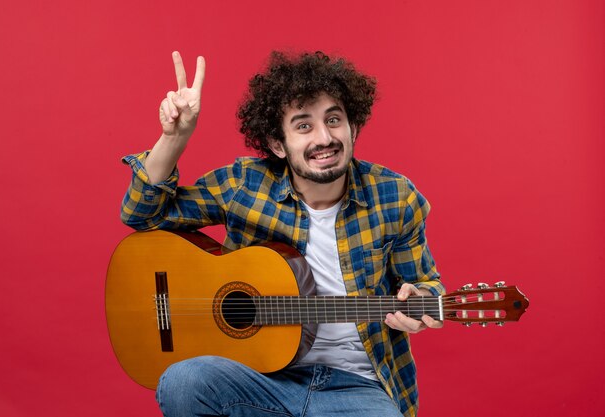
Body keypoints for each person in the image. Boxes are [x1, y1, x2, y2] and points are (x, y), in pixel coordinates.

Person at [121, 50, 444, 417]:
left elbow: (425, 284)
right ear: (277, 144)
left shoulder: (395, 197)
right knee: (184, 380)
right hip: (259, 377)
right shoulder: (245, 184)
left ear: (353, 127)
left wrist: (421, 301)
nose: (325, 138)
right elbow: (141, 215)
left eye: (334, 120)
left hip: (357, 385)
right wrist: (174, 138)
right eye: (304, 126)